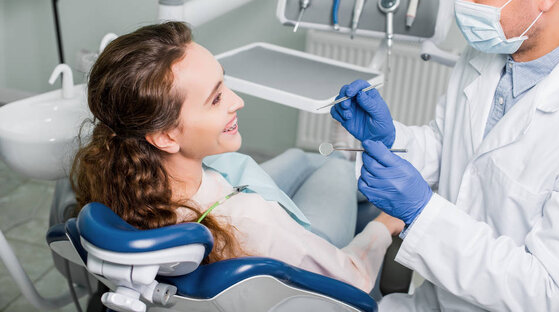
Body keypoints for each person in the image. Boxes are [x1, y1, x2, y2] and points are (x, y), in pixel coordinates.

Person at [332, 0, 559, 310]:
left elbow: (553, 295)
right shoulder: (495, 44)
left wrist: (423, 213)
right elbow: (452, 150)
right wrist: (391, 142)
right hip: (432, 300)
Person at [70, 21, 404, 293]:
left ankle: (358, 187)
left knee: (301, 159)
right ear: (166, 136)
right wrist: (383, 226)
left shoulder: (117, 175)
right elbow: (354, 279)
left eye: (223, 83)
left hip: (215, 195)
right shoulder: (249, 220)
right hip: (299, 242)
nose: (237, 101)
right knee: (335, 166)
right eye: (215, 99)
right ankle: (365, 189)